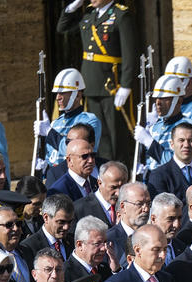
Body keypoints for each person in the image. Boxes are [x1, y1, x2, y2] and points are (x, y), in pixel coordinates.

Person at [57, 0, 137, 163]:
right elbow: (62, 28)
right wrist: (73, 6)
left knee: (117, 136)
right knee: (98, 134)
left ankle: (120, 171)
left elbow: (130, 54)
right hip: (91, 84)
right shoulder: (88, 15)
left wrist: (126, 84)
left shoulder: (121, 15)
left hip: (111, 86)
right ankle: (104, 170)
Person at [37, 72, 101, 171]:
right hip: (55, 176)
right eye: (57, 93)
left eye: (62, 93)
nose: (58, 97)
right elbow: (52, 154)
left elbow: (77, 150)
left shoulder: (89, 120)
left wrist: (50, 133)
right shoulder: (55, 123)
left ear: (78, 96)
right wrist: (45, 166)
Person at [147, 123, 192, 203]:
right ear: (172, 144)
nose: (186, 145)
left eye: (191, 140)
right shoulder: (159, 175)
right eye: (181, 140)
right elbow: (160, 209)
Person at [106, 181, 150, 269]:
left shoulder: (151, 237)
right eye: (139, 204)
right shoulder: (108, 239)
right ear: (123, 206)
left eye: (148, 204)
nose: (146, 209)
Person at [22, 193, 75, 263]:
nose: (66, 227)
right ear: (46, 218)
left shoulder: (73, 241)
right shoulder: (29, 247)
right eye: (61, 222)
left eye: (70, 222)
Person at [73, 160, 127, 229]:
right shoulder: (79, 210)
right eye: (113, 187)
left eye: (122, 187)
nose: (118, 193)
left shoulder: (129, 207)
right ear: (99, 183)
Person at [47, 138, 99, 203]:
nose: (90, 160)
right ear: (69, 160)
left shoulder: (98, 184)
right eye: (85, 156)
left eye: (92, 155)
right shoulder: (58, 191)